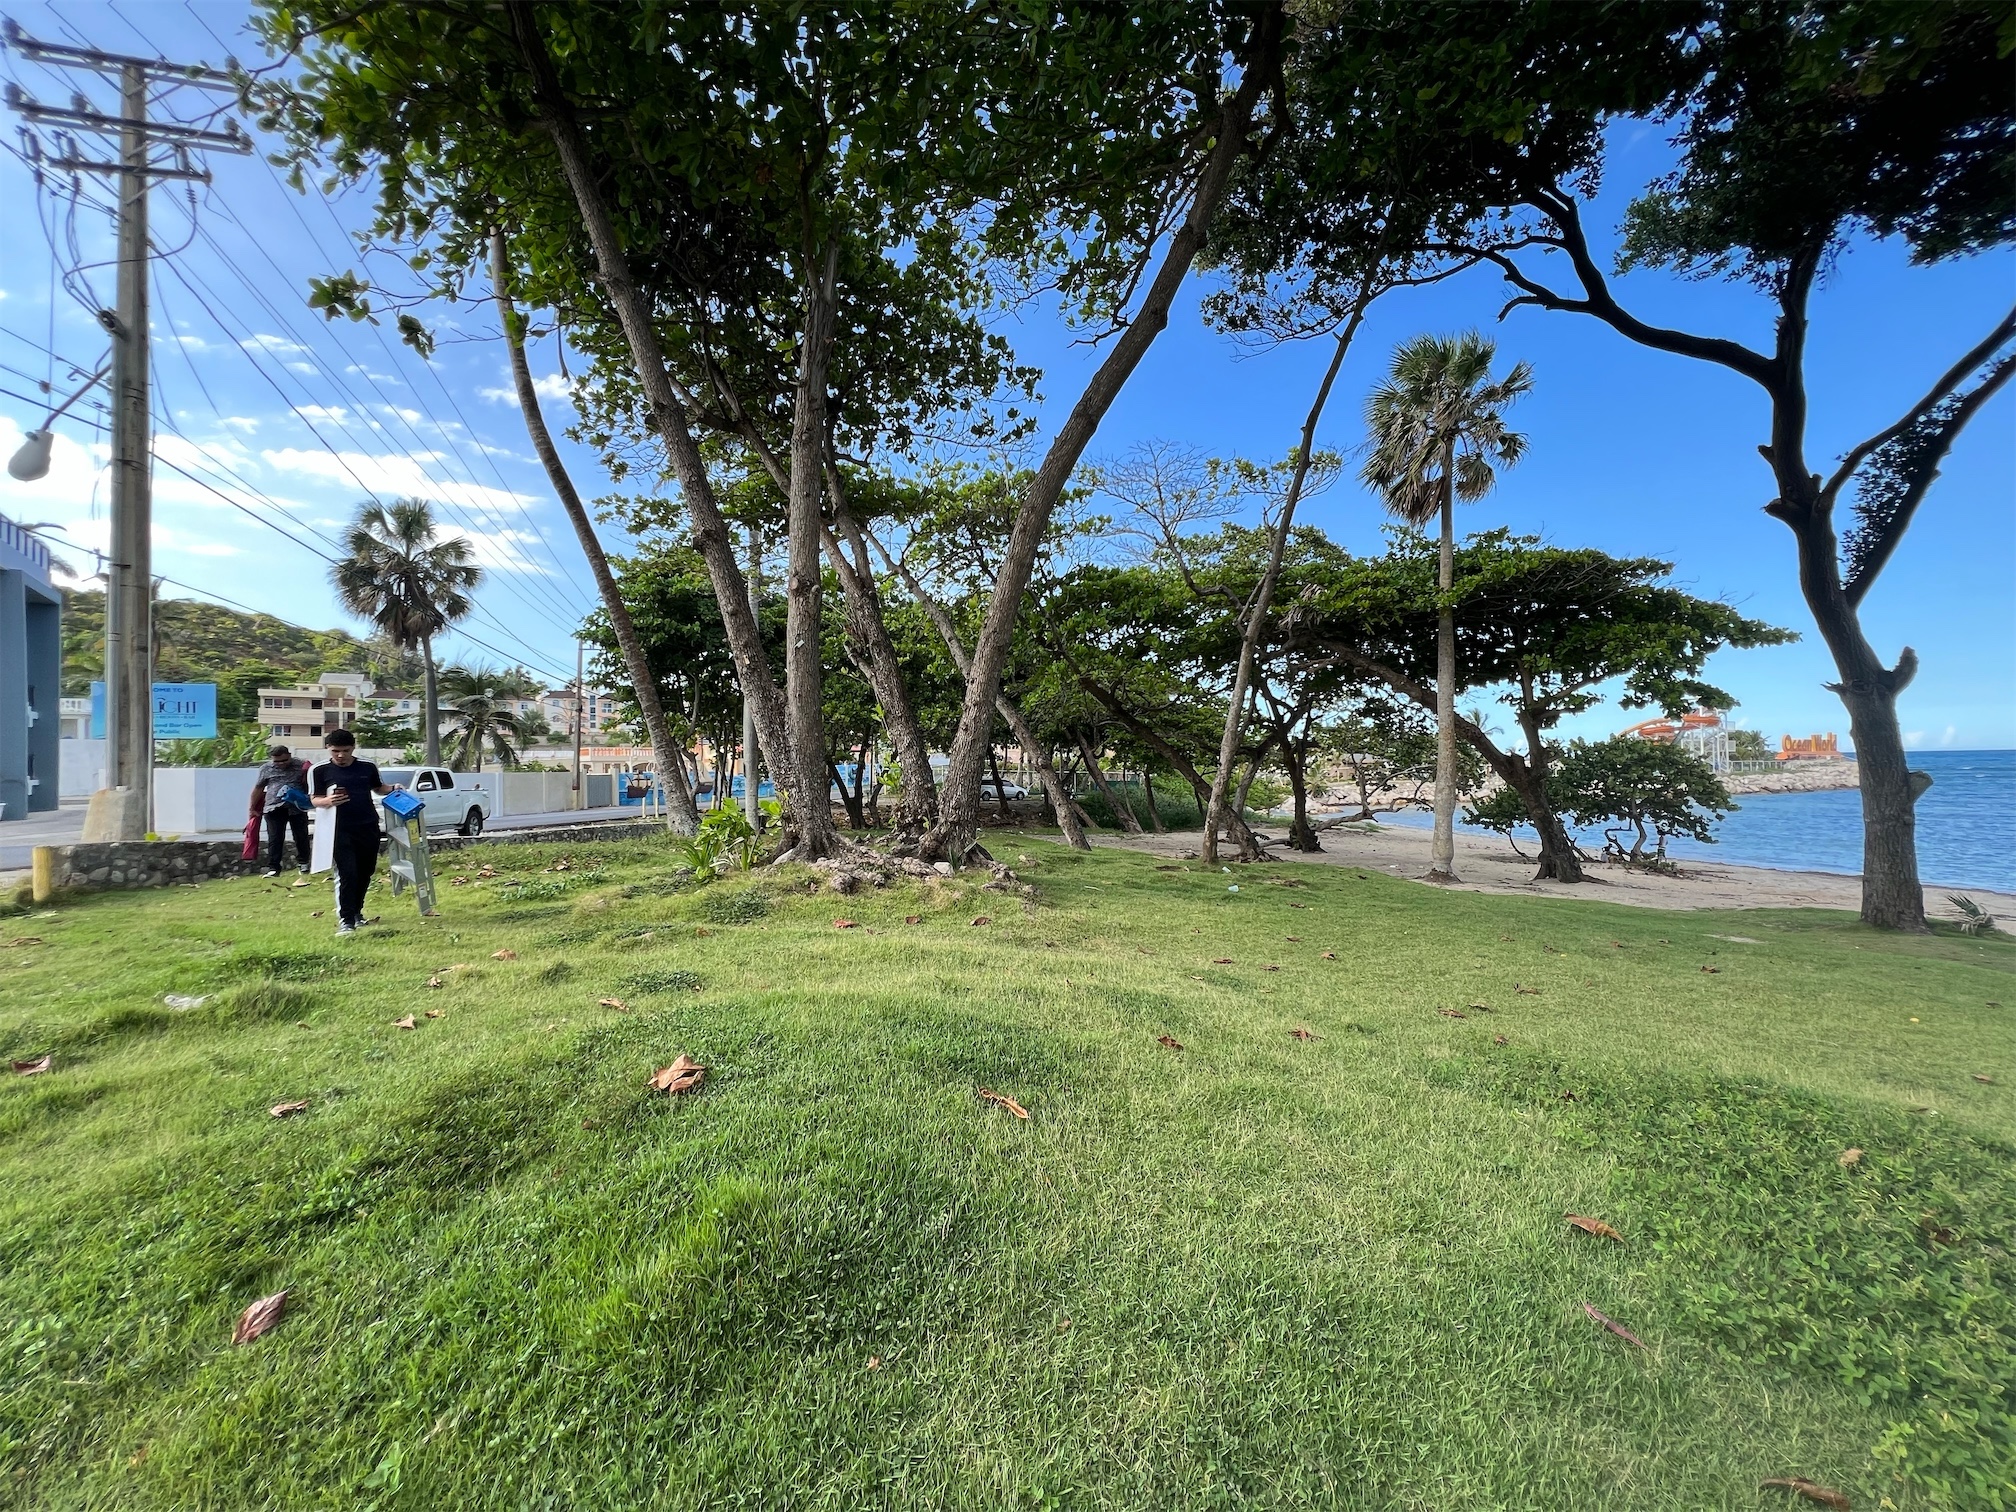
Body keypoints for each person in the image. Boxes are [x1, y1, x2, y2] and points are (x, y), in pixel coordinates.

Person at [309, 728, 400, 935]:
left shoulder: (367, 766)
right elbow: (314, 798)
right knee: (347, 873)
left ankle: (357, 913)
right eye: (335, 751)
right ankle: (346, 920)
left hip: (368, 826)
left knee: (365, 872)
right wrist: (327, 801)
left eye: (345, 751)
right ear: (328, 749)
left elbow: (378, 788)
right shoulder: (319, 770)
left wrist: (394, 787)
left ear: (353, 748)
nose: (340, 756)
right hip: (338, 829)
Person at [248, 743, 312, 877]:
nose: (281, 764)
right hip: (273, 807)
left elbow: (310, 783)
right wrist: (252, 808)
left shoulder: (301, 765)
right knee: (275, 838)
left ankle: (304, 863)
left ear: (289, 756)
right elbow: (258, 788)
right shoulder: (266, 768)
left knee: (301, 837)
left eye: (284, 760)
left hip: (296, 806)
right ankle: (274, 868)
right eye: (277, 761)